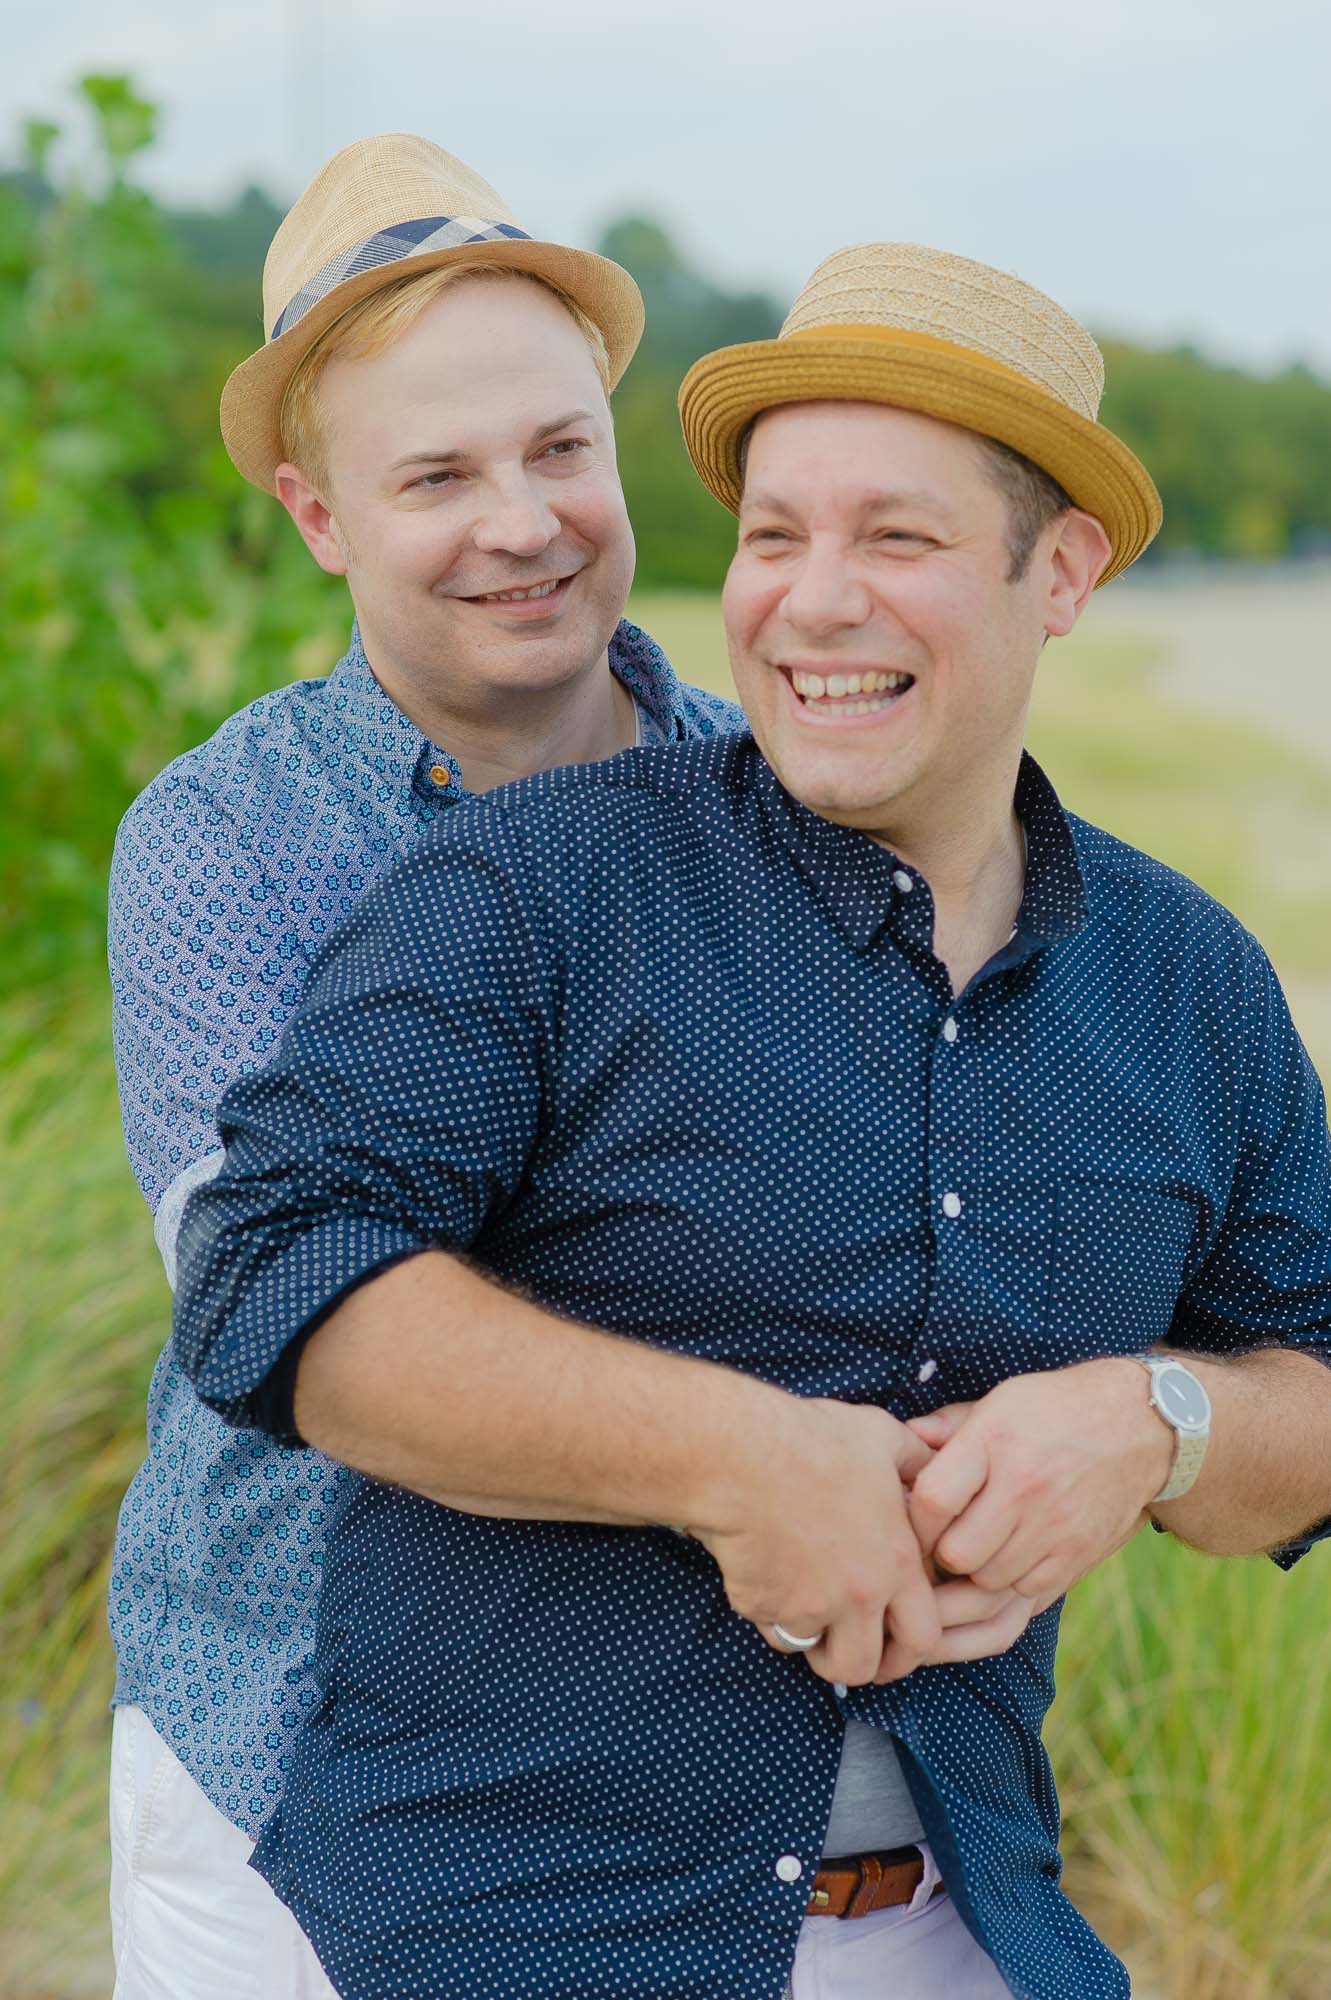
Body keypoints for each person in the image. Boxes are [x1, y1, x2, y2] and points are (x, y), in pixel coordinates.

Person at [171, 242, 1331, 2000]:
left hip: (974, 1920)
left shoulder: (1195, 985)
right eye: (776, 536)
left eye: (899, 538)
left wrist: (1159, 1421)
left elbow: (1310, 1403)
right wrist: (737, 1461)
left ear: (1063, 569)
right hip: (512, 1931)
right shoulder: (540, 886)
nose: (812, 600)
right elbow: (273, 1273)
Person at [105, 130, 743, 2000]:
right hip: (286, 1747)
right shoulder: (222, 840)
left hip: (676, 1773)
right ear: (319, 516)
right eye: (438, 477)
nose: (523, 521)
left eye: (559, 450)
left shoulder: (776, 806)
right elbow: (291, 1324)